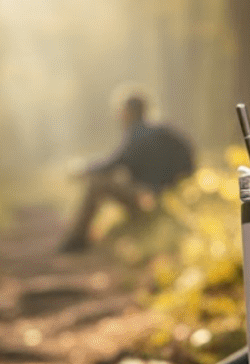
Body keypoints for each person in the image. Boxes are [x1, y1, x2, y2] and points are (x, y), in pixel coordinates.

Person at [58, 88, 195, 252]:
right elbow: (190, 159)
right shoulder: (165, 131)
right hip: (168, 198)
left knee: (97, 183)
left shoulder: (136, 133)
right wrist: (174, 186)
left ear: (129, 112)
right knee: (117, 182)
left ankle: (76, 240)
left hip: (146, 199)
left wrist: (83, 170)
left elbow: (113, 164)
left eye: (121, 111)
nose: (119, 116)